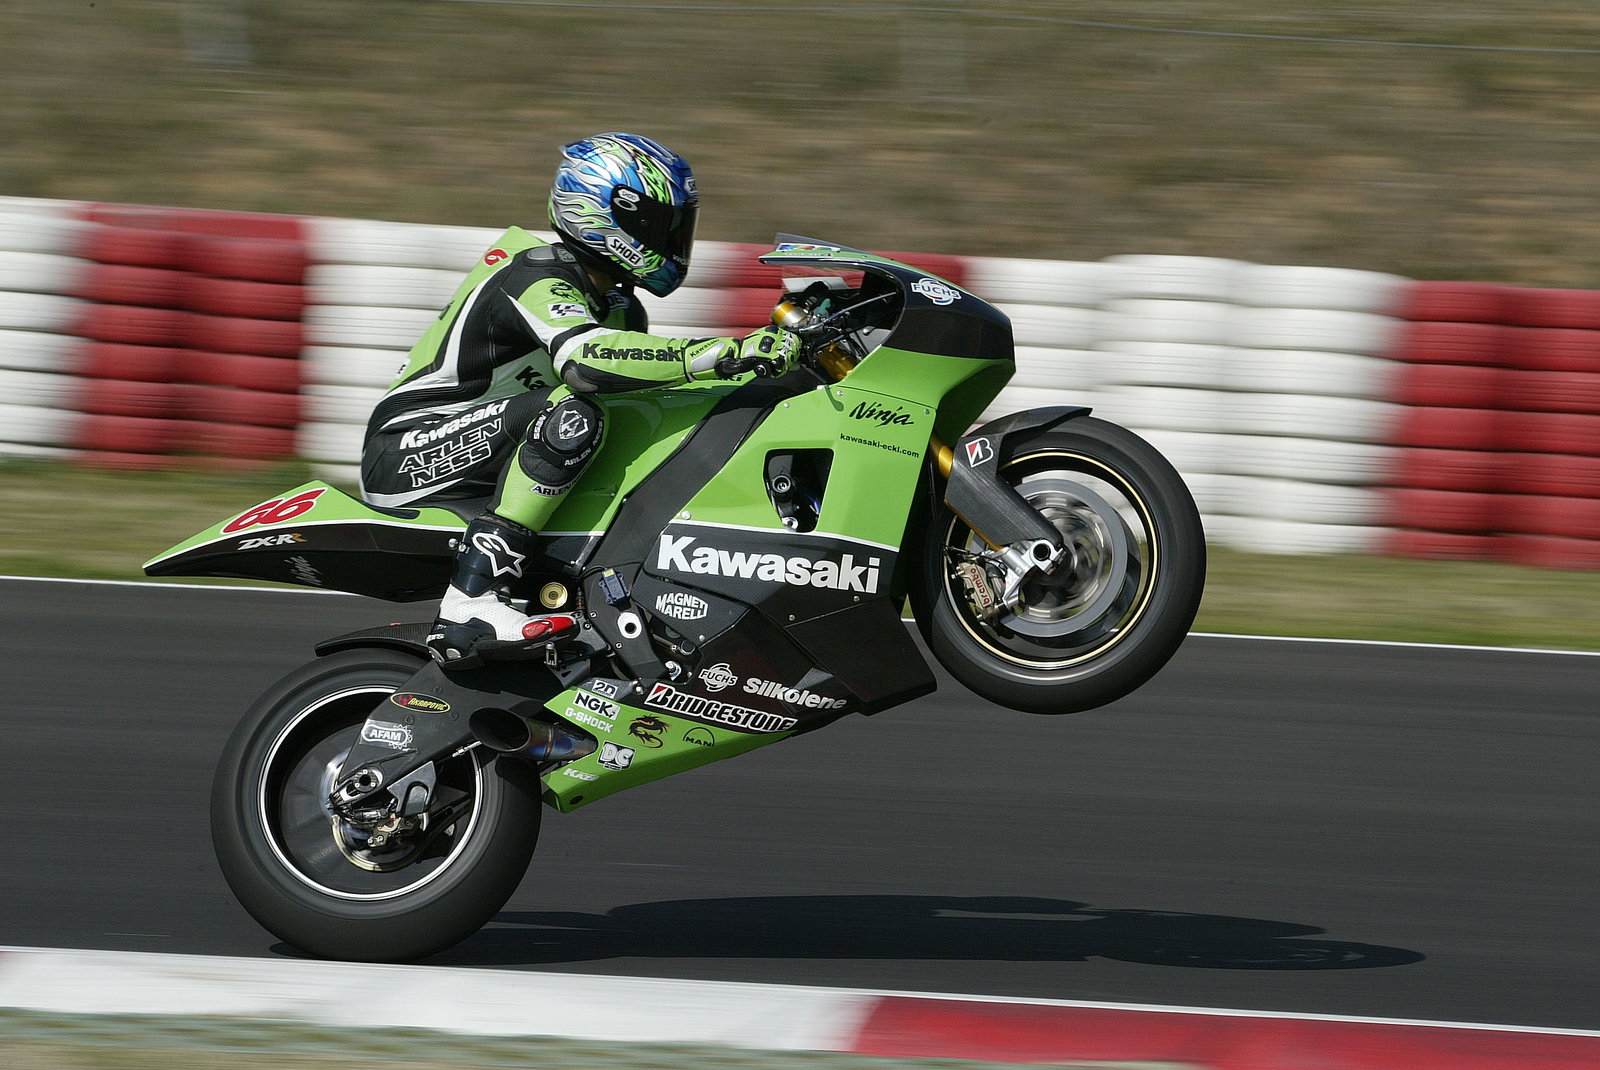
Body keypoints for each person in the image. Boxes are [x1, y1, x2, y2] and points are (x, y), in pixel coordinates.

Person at [360, 132, 801, 669]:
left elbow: (652, 387)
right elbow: (586, 361)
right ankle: (471, 602)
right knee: (576, 411)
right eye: (659, 226)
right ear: (605, 213)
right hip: (408, 448)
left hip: (489, 446)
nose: (673, 241)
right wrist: (721, 353)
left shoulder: (620, 307)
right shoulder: (534, 272)